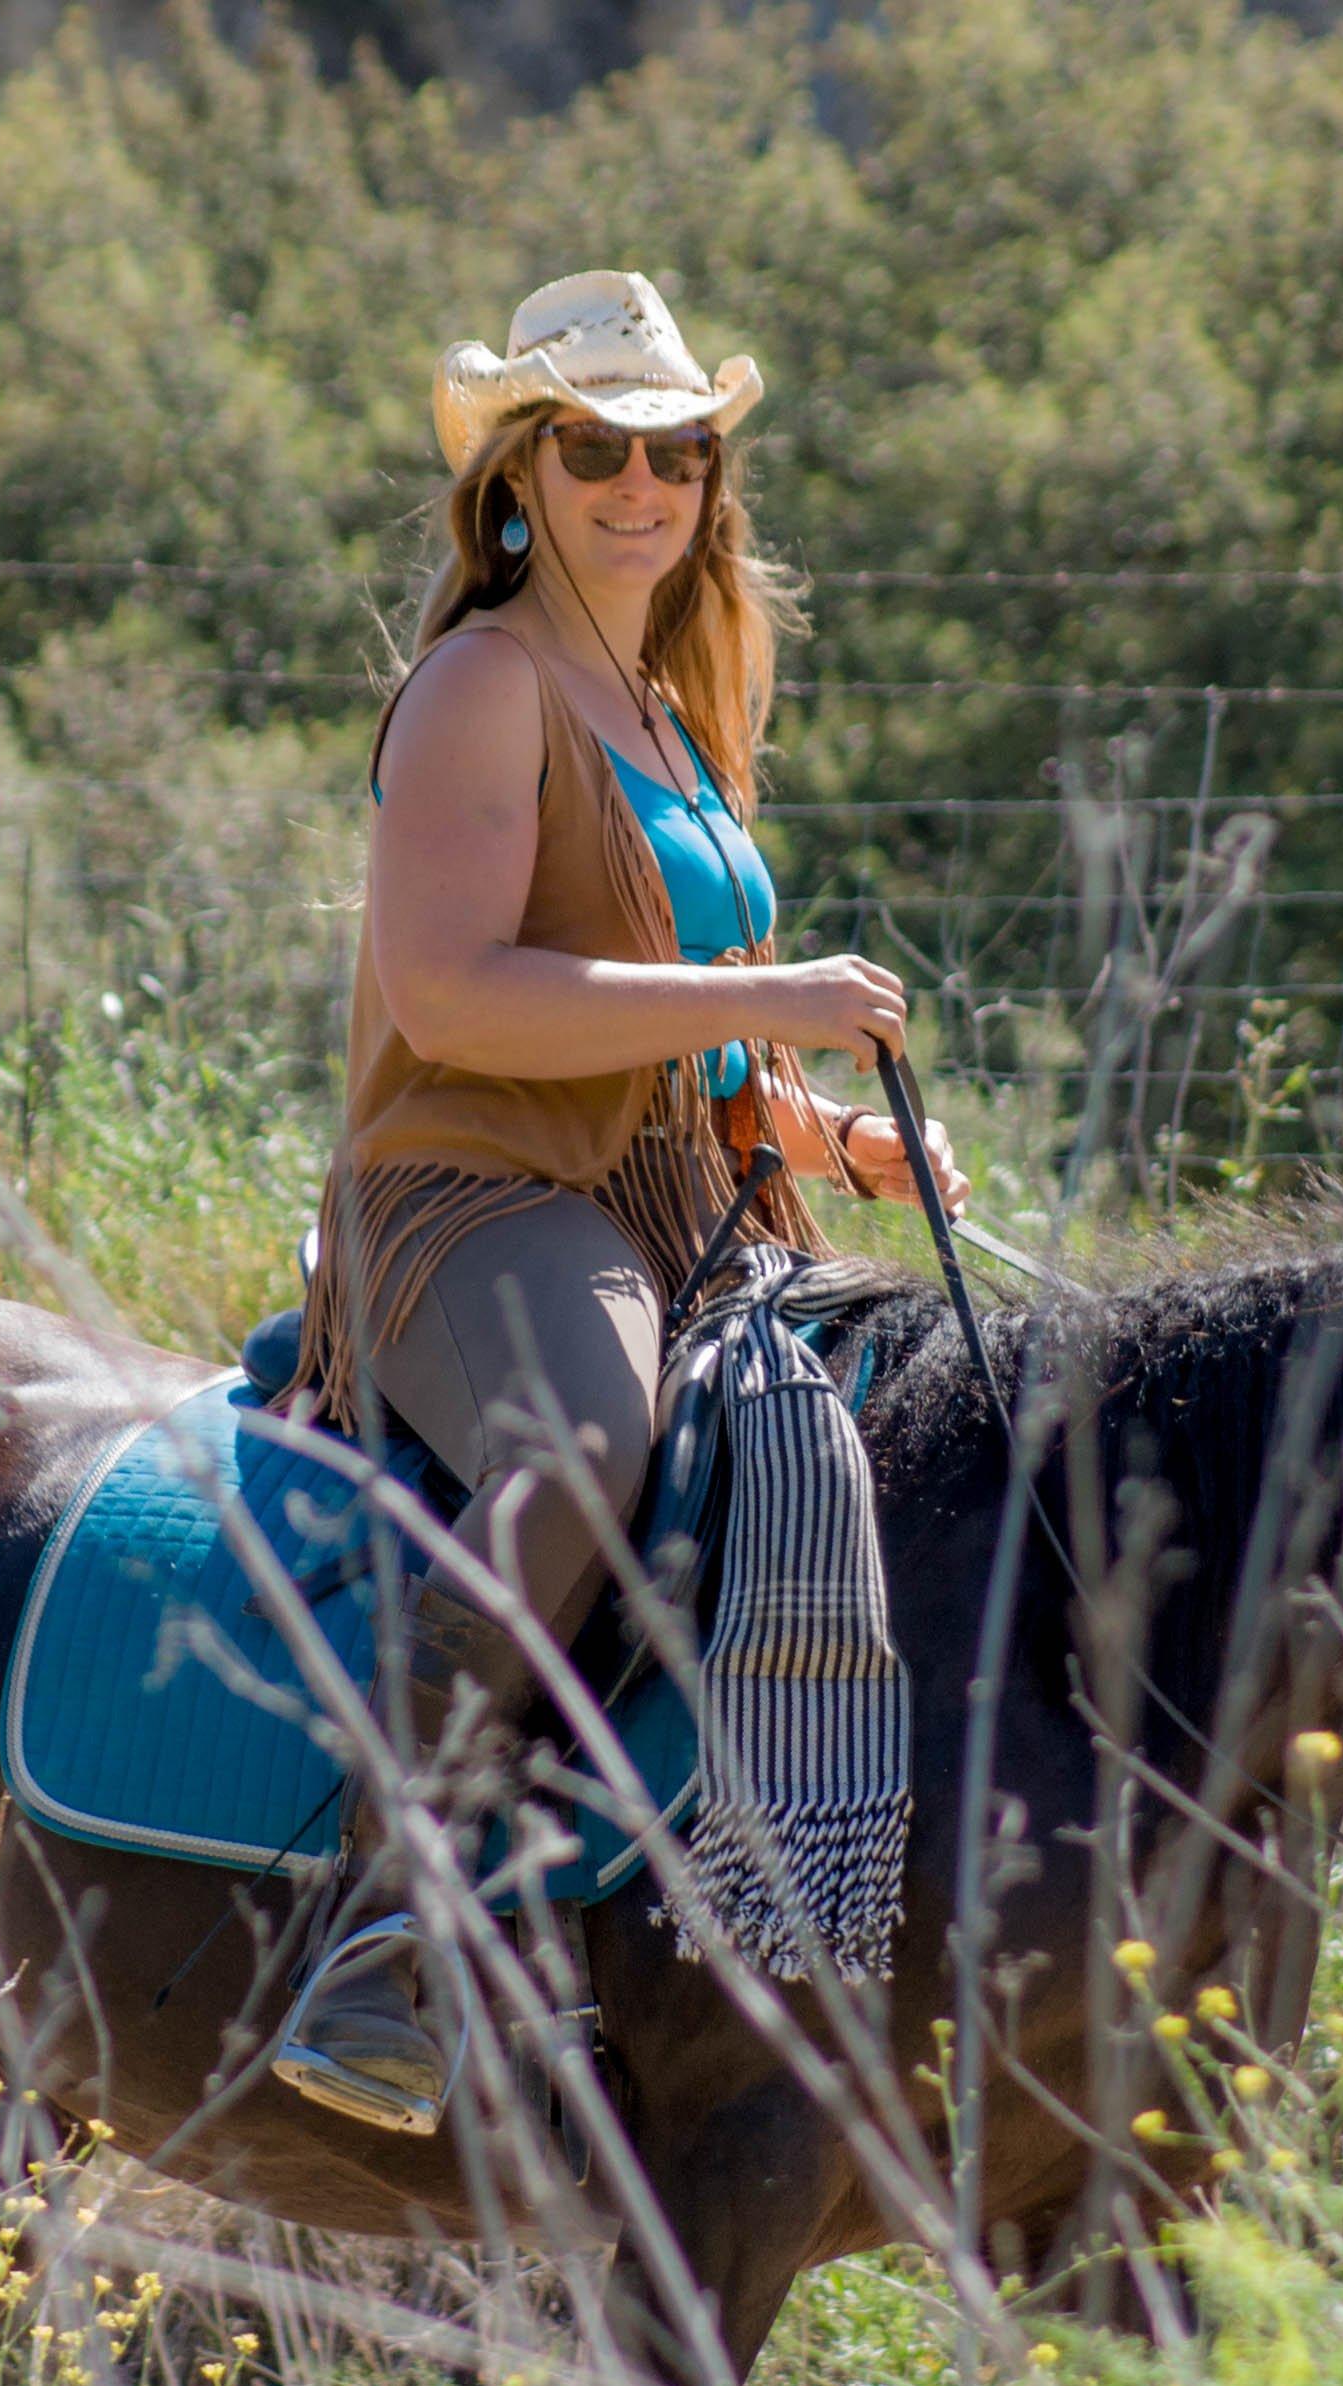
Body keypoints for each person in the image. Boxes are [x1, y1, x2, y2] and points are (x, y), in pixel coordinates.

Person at [271, 269, 964, 2133]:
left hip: (671, 1197)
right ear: (520, 475)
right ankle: (381, 1922)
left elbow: (674, 1018)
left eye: (676, 451)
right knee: (586, 1442)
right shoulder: (483, 685)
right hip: (474, 1191)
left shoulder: (668, 704)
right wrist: (775, 997)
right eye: (594, 449)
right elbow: (454, 1000)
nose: (640, 484)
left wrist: (830, 1136)